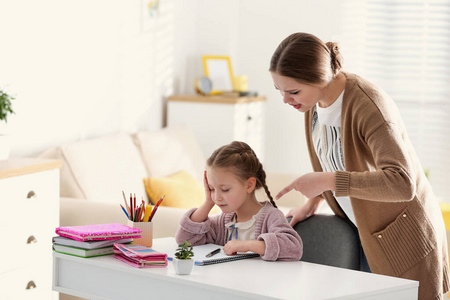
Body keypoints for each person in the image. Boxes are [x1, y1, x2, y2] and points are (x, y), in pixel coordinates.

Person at [269, 32, 449, 299]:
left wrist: (329, 181)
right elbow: (334, 157)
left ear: (320, 78)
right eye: (280, 91)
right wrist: (314, 201)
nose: (285, 100)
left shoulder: (369, 106)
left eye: (293, 91)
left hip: (402, 241)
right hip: (364, 233)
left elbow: (402, 182)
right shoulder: (313, 104)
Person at [175, 141, 303, 261]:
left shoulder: (271, 217)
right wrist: (208, 203)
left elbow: (294, 248)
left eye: (225, 189)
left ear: (249, 185)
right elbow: (185, 240)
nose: (217, 197)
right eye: (211, 189)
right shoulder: (223, 222)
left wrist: (249, 245)